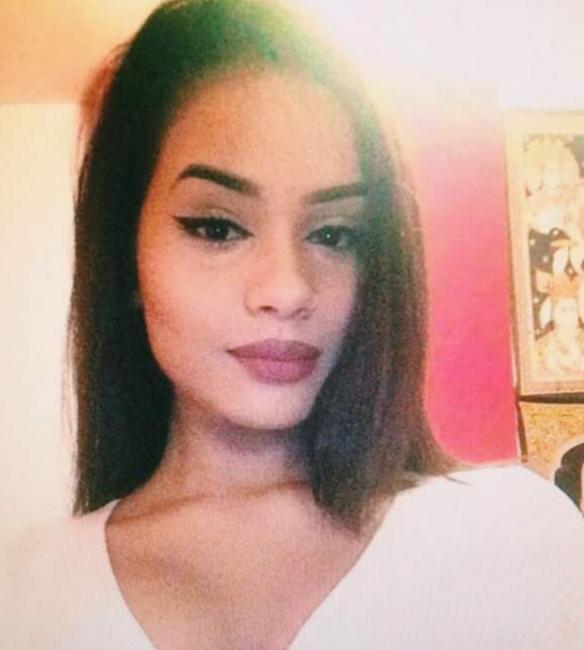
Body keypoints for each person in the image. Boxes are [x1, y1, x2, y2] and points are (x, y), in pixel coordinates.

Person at [3, 1, 584, 648]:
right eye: (216, 227)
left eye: (334, 234)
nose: (288, 289)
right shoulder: (26, 596)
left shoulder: (513, 539)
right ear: (125, 256)